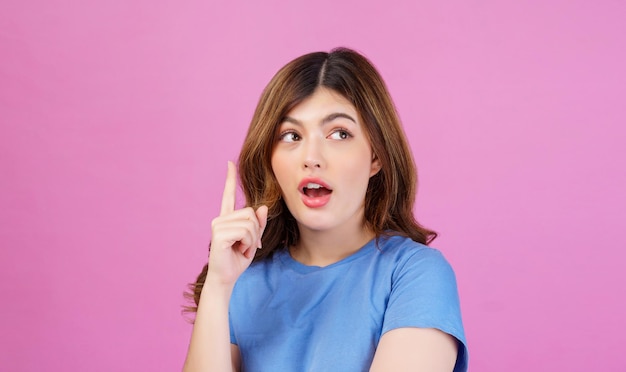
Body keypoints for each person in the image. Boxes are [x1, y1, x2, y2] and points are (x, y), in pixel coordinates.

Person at [183, 47, 468, 372]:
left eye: (339, 134)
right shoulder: (241, 281)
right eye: (291, 136)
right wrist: (218, 287)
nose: (312, 156)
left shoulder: (415, 275)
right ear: (270, 158)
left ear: (376, 156)